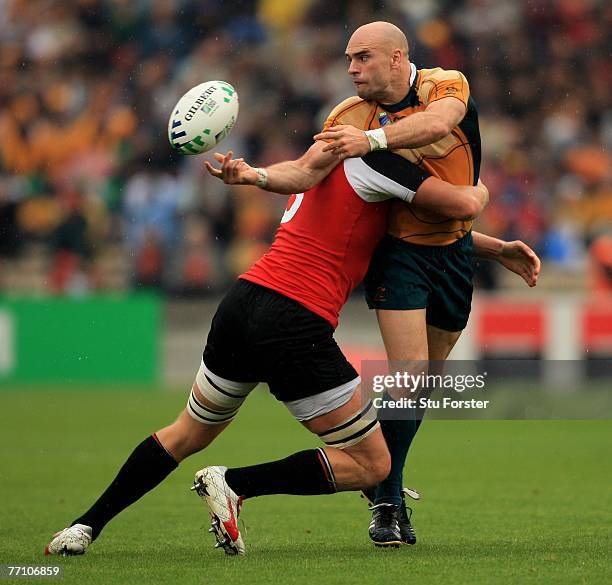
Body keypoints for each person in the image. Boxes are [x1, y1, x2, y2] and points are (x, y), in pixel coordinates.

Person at [45, 144, 489, 556]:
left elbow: (412, 237)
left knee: (187, 432)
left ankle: (84, 526)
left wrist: (495, 249)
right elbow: (463, 207)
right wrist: (479, 181)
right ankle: (234, 484)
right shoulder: (380, 164)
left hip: (243, 302)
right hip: (294, 320)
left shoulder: (323, 163)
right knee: (373, 465)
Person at [311, 21, 541, 547]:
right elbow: (313, 176)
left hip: (456, 252)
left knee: (422, 388)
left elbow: (440, 125)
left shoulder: (445, 84)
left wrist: (495, 246)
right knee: (409, 379)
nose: (351, 69)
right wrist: (259, 176)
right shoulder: (348, 117)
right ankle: (387, 502)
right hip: (399, 258)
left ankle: (381, 478)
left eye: (362, 58)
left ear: (397, 58)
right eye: (348, 59)